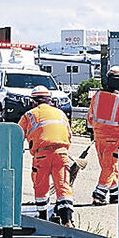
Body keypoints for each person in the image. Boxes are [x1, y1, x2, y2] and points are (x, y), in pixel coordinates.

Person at [19, 86, 74, 225]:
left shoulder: (29, 115)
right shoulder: (60, 114)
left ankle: (43, 218)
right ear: (50, 100)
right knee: (63, 185)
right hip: (61, 153)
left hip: (42, 155)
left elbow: (17, 135)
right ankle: (67, 219)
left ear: (33, 101)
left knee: (41, 186)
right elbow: (69, 135)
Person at [86, 66, 119, 206]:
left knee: (108, 166)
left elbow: (90, 115)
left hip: (98, 137)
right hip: (113, 139)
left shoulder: (97, 95)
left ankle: (115, 195)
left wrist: (91, 130)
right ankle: (99, 195)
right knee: (110, 168)